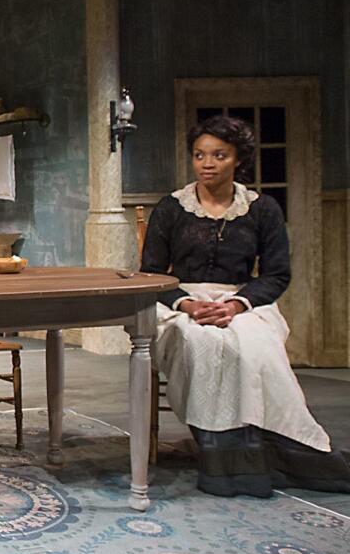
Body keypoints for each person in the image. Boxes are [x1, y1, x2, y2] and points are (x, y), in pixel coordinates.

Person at [141, 115, 350, 498]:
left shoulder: (262, 209)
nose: (207, 163)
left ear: (237, 159)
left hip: (242, 301)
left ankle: (274, 454)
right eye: (199, 155)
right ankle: (221, 461)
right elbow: (150, 274)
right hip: (181, 303)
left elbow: (277, 274)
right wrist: (186, 303)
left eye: (218, 155)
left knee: (255, 347)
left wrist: (237, 304)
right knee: (200, 344)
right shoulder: (171, 208)